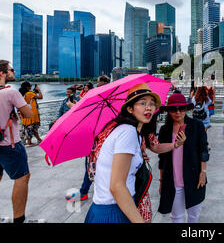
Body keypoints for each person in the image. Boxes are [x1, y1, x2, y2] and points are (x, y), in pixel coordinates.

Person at [85, 83, 185, 223]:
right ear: (130, 109)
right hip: (114, 210)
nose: (149, 107)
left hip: (111, 206)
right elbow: (117, 186)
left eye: (152, 103)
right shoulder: (128, 132)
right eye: (142, 103)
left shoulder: (129, 131)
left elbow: (154, 147)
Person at [0, 60, 41, 223]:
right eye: (11, 70)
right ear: (1, 73)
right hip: (9, 144)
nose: (14, 73)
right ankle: (19, 219)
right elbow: (29, 113)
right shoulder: (10, 93)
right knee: (22, 178)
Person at [158, 93, 209, 223]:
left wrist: (203, 172)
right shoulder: (165, 130)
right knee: (176, 217)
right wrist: (162, 181)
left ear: (186, 109)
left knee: (193, 217)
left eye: (181, 108)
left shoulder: (197, 126)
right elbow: (162, 158)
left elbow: (203, 150)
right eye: (173, 109)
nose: (178, 112)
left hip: (194, 179)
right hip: (172, 181)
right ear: (168, 111)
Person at [64, 76, 112, 202]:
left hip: (95, 138)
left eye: (98, 83)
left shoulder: (98, 98)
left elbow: (89, 117)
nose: (97, 85)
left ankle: (84, 191)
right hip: (105, 137)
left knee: (90, 165)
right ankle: (86, 190)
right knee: (95, 165)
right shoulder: (110, 100)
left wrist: (72, 108)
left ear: (104, 83)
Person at [18, 82, 43, 146]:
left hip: (25, 112)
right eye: (30, 86)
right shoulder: (29, 93)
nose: (31, 87)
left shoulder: (22, 93)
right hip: (32, 113)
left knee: (30, 127)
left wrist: (34, 91)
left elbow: (31, 97)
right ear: (27, 87)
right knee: (31, 127)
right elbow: (40, 97)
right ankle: (29, 142)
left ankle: (39, 139)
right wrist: (39, 90)